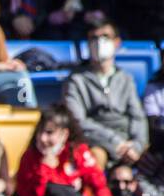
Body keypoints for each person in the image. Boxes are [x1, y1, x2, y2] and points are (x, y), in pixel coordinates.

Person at [63, 19, 148, 170]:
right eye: (94, 38)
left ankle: (147, 195)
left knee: (154, 161)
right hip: (96, 141)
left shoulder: (126, 78)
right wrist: (115, 142)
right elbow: (78, 121)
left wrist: (137, 144)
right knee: (94, 158)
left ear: (117, 42)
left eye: (105, 37)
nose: (99, 42)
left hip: (127, 142)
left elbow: (137, 117)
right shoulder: (75, 80)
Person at [15, 104, 112, 196]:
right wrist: (44, 169)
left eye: (49, 133)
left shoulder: (78, 153)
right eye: (40, 132)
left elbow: (99, 185)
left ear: (64, 134)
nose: (43, 139)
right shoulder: (30, 157)